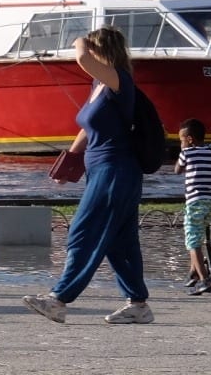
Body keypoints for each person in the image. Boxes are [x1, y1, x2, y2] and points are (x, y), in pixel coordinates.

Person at [23, 27, 152, 326]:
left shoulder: (118, 79)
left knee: (84, 231)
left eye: (90, 47)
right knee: (121, 243)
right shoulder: (100, 85)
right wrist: (69, 162)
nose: (83, 51)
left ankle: (59, 299)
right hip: (103, 172)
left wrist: (80, 41)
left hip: (116, 171)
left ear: (100, 51)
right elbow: (87, 127)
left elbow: (81, 56)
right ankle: (138, 304)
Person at [174, 117, 211, 293]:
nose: (181, 144)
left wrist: (181, 152)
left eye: (181, 140)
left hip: (194, 202)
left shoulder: (186, 153)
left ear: (189, 139)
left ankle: (204, 279)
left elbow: (177, 170)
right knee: (198, 236)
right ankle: (193, 272)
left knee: (193, 242)